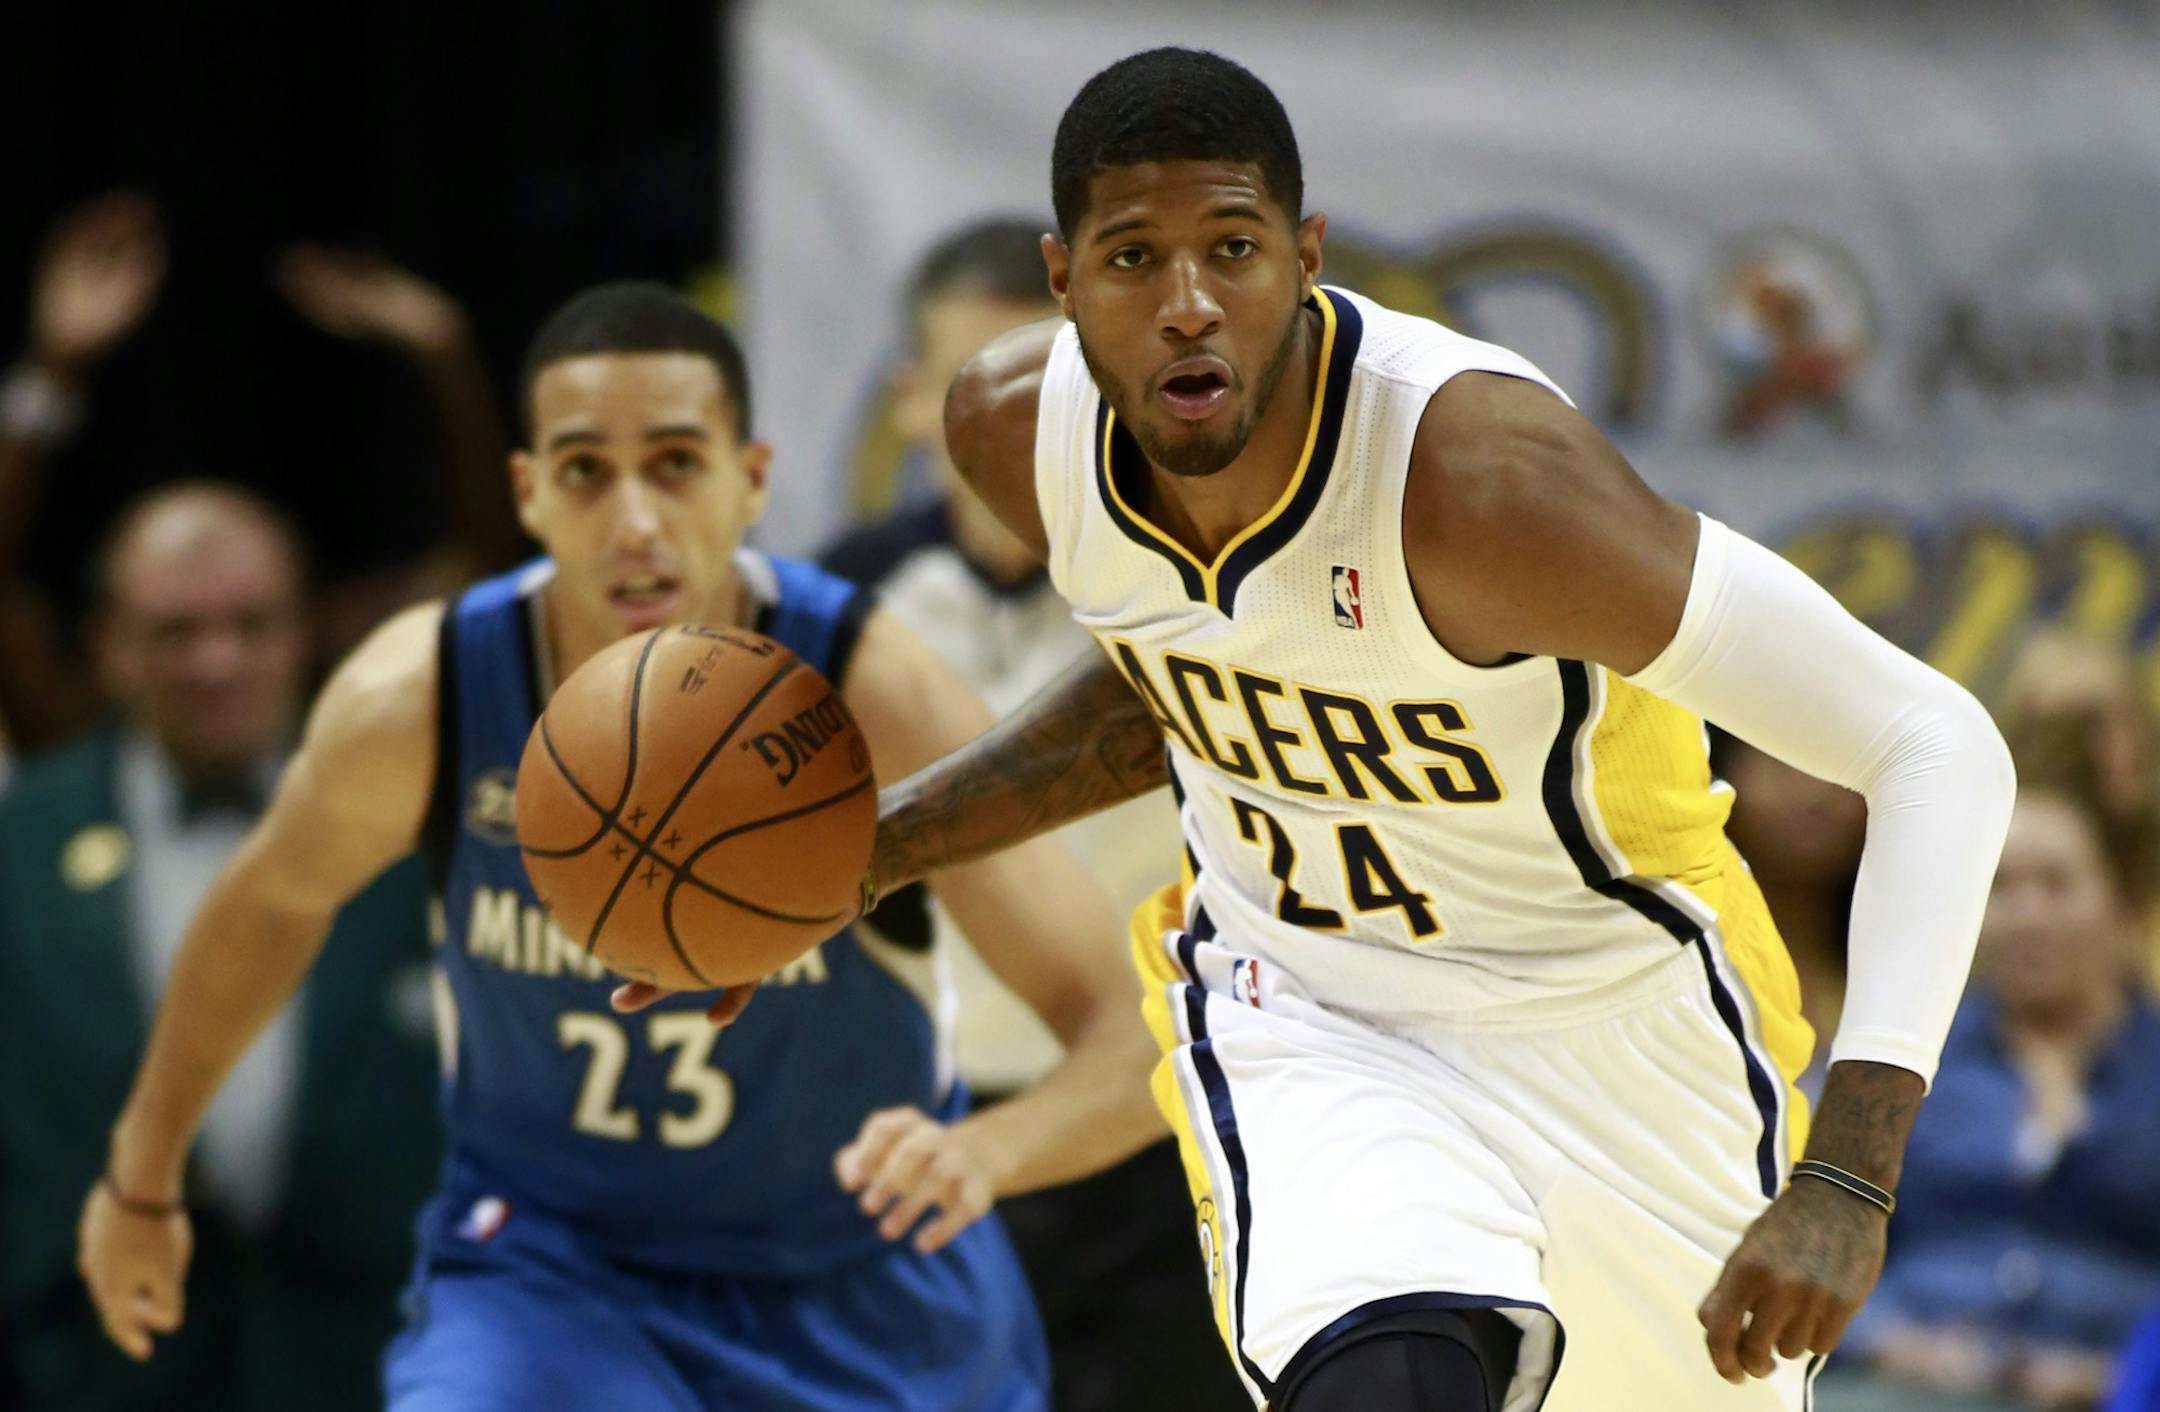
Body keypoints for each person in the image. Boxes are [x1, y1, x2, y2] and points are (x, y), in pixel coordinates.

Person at [826, 47, 2016, 1411]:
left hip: (1616, 1021)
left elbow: (1935, 744)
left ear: (1307, 256)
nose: (1188, 304)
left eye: (1232, 247)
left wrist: (1851, 1174)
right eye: (1133, 260)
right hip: (1312, 1011)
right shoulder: (1016, 434)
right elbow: (1183, 679)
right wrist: (879, 845)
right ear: (1062, 280)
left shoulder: (1484, 483)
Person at [76, 282, 1164, 1410]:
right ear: (529, 492)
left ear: (750, 479)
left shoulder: (861, 690)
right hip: (552, 1276)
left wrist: (991, 1152)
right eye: (587, 470)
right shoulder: (426, 694)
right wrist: (140, 1178)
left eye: (678, 463)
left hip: (857, 1276)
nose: (634, 518)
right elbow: (268, 906)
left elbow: (1130, 1027)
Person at [821, 216, 1244, 1412]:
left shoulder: (1199, 590)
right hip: (921, 1124)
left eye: (1048, 378)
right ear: (912, 401)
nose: (1017, 416)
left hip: (1176, 1120)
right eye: (976, 382)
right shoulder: (842, 600)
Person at [0, 483, 439, 1412]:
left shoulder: (417, 835)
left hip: (371, 1374)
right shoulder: (20, 846)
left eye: (251, 623)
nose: (217, 661)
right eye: (175, 631)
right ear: (109, 644)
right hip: (87, 1379)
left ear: (306, 632)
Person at [1821, 772, 2160, 1412]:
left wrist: (2118, 1372)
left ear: (2116, 899)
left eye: (2057, 884)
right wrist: (1884, 1339)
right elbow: (1814, 1219)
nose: (2029, 915)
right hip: (1903, 1383)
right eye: (2000, 889)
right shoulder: (1894, 1064)